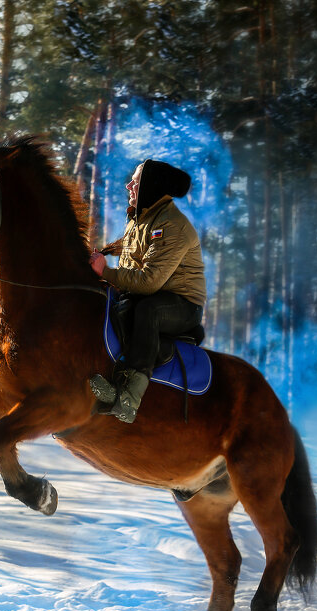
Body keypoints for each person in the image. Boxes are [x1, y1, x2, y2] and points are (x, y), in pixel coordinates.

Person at [89, 158, 206, 423]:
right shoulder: (138, 219)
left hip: (182, 305)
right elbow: (131, 270)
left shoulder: (171, 225)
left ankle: (129, 397)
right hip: (148, 296)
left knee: (147, 310)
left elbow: (150, 281)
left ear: (150, 187)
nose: (128, 185)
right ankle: (111, 378)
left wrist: (106, 273)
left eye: (136, 181)